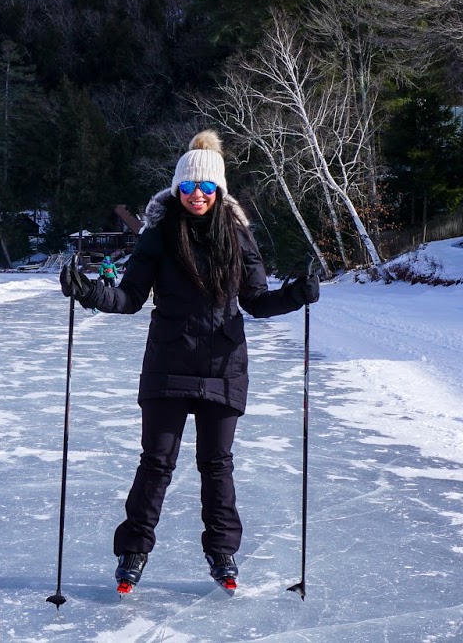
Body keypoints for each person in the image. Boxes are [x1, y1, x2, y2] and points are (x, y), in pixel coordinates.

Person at [60, 129, 319, 593]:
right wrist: (91, 292)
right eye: (187, 187)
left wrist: (296, 295)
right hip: (168, 363)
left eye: (205, 187)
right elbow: (130, 295)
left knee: (217, 464)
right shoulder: (159, 235)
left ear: (219, 190)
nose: (196, 195)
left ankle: (223, 554)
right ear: (176, 189)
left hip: (223, 365)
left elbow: (257, 301)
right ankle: (133, 552)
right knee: (156, 463)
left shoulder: (238, 238)